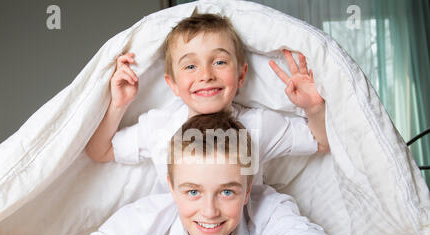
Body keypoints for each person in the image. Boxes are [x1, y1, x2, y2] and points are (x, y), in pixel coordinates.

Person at [50, 112, 342, 235]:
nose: (210, 211)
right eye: (193, 192)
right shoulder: (144, 219)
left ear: (247, 188)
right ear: (172, 188)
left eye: (227, 191)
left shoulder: (269, 207)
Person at [84, 13, 330, 194]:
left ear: (241, 75)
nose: (206, 75)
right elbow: (99, 151)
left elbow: (320, 141)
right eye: (190, 66)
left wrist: (314, 107)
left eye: (220, 62)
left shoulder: (259, 125)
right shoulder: (160, 126)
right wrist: (119, 104)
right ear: (172, 84)